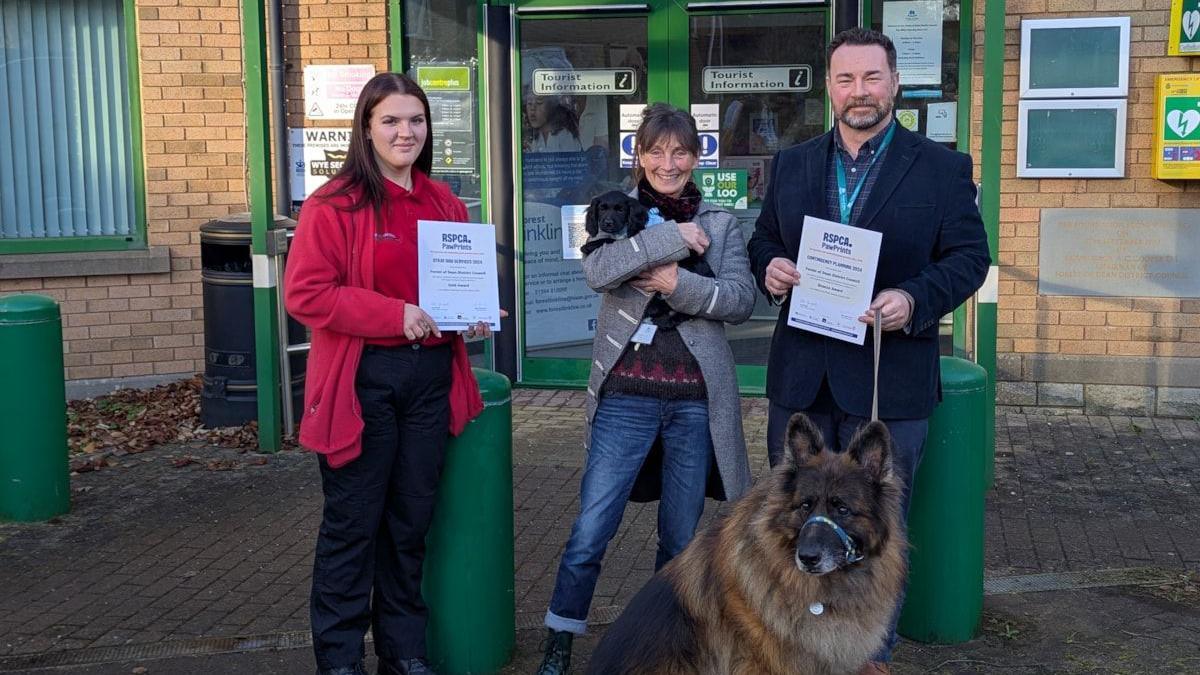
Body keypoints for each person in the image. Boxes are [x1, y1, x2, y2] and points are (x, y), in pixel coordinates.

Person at [747, 28, 990, 675]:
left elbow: (970, 259)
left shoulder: (941, 169)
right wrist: (769, 264)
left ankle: (868, 656)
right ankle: (795, 648)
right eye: (846, 79)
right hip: (803, 382)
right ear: (830, 86)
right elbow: (762, 239)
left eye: (872, 78)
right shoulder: (793, 164)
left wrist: (914, 299)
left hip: (890, 383)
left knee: (876, 532)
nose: (860, 92)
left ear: (895, 84)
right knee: (791, 524)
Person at [284, 72, 495, 675]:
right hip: (361, 382)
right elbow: (306, 294)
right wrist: (392, 314)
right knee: (353, 527)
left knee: (408, 525)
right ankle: (341, 659)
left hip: (428, 382)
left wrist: (472, 316)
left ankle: (403, 653)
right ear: (367, 129)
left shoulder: (444, 202)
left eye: (416, 120)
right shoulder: (335, 204)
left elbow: (449, 298)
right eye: (391, 121)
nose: (406, 132)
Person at [536, 103, 757, 674]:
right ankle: (560, 638)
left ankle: (665, 646)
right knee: (592, 528)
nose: (668, 162)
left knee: (680, 541)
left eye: (680, 151)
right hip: (626, 399)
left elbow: (739, 299)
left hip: (693, 405)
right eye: (656, 151)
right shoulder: (617, 211)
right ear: (640, 155)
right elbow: (598, 272)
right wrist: (674, 239)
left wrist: (674, 281)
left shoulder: (723, 222)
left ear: (695, 156)